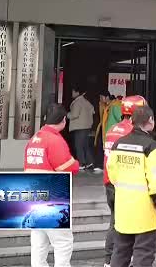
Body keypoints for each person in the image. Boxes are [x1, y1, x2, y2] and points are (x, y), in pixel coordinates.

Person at [107, 104, 156, 267]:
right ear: (151, 121)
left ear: (132, 121)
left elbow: (112, 175)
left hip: (123, 210)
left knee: (120, 252)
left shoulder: (118, 144)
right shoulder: (154, 148)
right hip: (145, 212)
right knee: (143, 254)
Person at [24, 104, 80, 267]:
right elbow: (68, 167)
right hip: (53, 198)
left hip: (35, 196)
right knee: (62, 242)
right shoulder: (55, 140)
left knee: (39, 241)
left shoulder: (35, 139)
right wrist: (76, 163)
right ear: (63, 120)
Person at [100, 95, 145, 267]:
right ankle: (113, 259)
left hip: (110, 182)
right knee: (122, 223)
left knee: (115, 221)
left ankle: (111, 259)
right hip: (124, 185)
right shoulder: (132, 132)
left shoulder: (113, 129)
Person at [68, 87, 99, 172]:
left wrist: (67, 115)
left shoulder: (78, 102)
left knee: (79, 146)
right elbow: (93, 111)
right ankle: (90, 162)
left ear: (77, 92)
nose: (72, 93)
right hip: (87, 127)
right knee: (85, 145)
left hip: (79, 127)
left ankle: (81, 164)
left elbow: (74, 115)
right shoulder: (86, 102)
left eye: (73, 92)